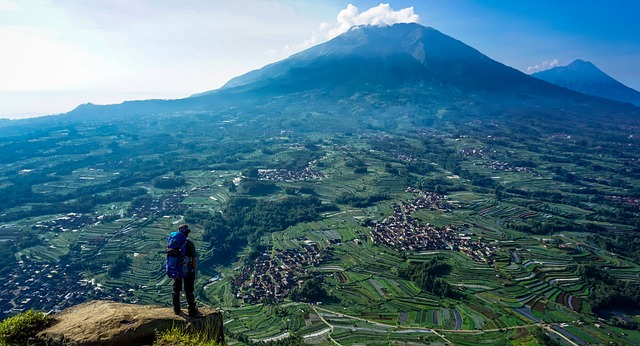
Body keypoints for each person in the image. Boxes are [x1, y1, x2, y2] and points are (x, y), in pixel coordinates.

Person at [172, 224, 200, 317]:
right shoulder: (190, 244)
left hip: (177, 270)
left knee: (176, 290)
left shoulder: (173, 244)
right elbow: (194, 259)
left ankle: (176, 309)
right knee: (189, 291)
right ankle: (192, 310)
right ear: (187, 234)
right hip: (188, 271)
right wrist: (194, 270)